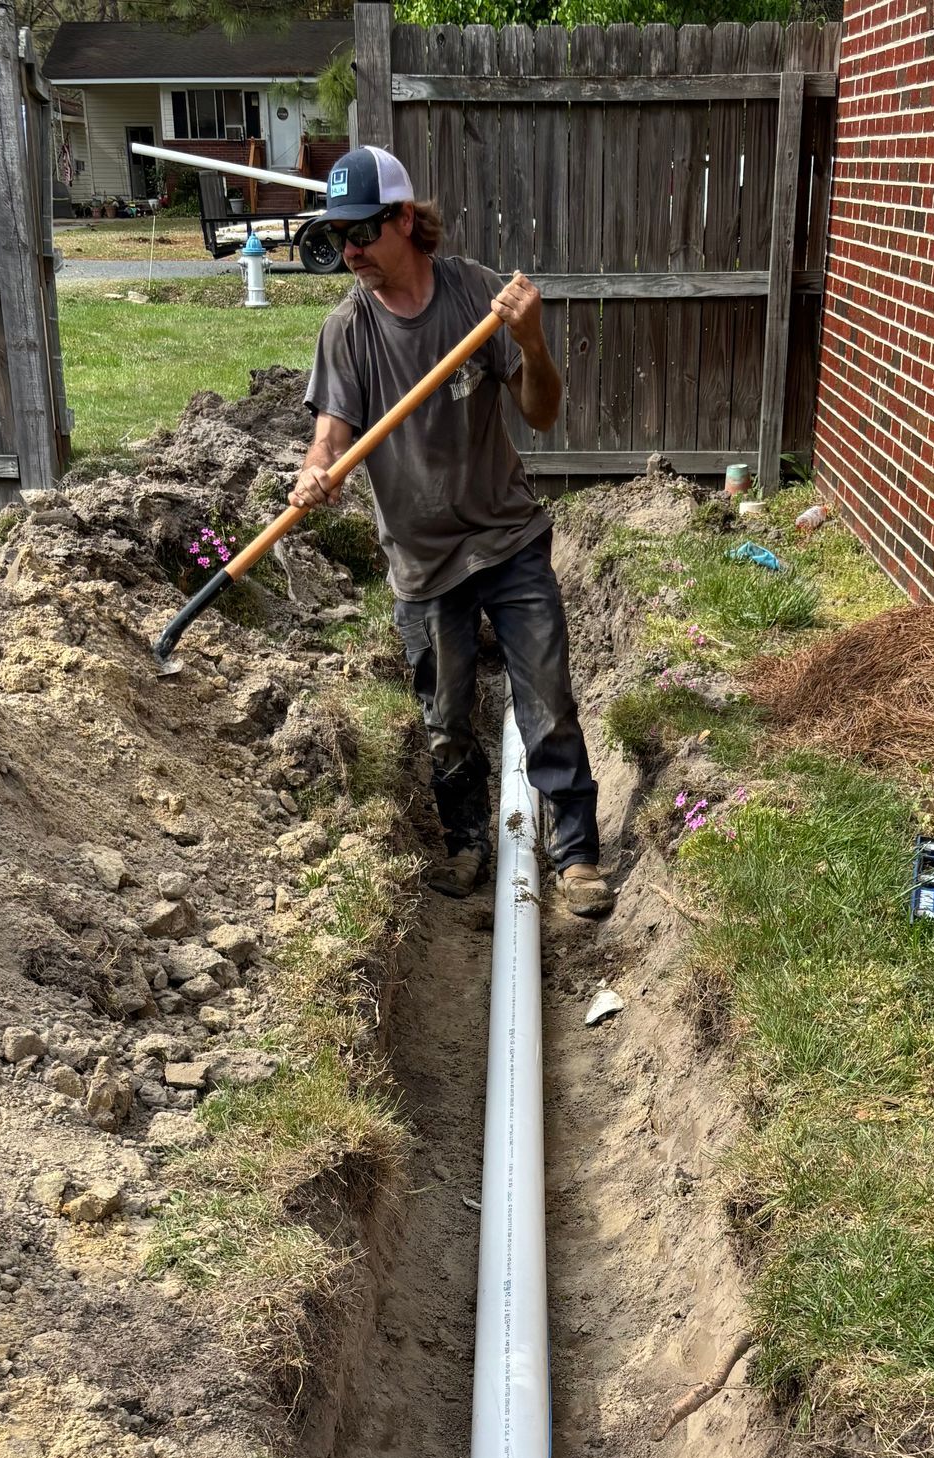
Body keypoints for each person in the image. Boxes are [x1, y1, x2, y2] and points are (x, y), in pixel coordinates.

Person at [294, 145, 613, 919]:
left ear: (405, 219)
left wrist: (532, 341)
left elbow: (542, 412)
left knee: (548, 703)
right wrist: (316, 472)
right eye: (337, 236)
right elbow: (330, 435)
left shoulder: (475, 294)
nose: (350, 251)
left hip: (506, 537)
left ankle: (575, 853)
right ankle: (467, 841)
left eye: (362, 232)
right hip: (422, 559)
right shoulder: (347, 330)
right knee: (445, 720)